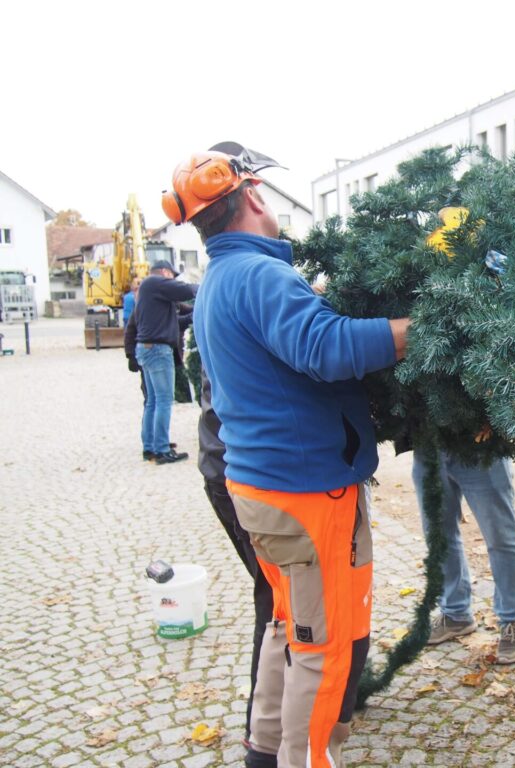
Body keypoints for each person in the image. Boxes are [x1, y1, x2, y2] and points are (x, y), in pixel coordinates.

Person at [165, 142, 410, 768]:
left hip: (264, 492)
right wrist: (418, 328)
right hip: (305, 495)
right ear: (251, 196)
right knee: (322, 647)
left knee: (288, 628)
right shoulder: (259, 274)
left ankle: (266, 751)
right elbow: (326, 348)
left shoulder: (224, 276)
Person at [198, 365, 273, 748]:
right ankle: (261, 735)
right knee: (276, 601)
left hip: (225, 468)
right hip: (239, 476)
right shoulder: (247, 304)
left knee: (283, 598)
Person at [412, 450, 515, 663]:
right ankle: (456, 614)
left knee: (501, 538)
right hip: (429, 448)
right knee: (438, 535)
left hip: (481, 448)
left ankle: (513, 622)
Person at [133, 259, 198, 464]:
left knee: (152, 401)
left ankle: (150, 446)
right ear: (164, 272)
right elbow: (185, 290)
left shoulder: (148, 291)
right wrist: (207, 287)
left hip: (148, 348)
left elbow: (172, 322)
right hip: (158, 350)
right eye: (172, 276)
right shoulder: (153, 282)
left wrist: (192, 317)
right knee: (163, 400)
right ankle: (161, 449)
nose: (173, 281)